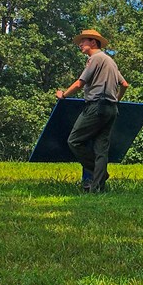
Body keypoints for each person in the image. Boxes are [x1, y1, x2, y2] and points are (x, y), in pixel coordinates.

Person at [56, 29, 129, 194]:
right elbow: (124, 84)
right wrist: (116, 100)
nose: (80, 44)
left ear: (93, 42)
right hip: (111, 109)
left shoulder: (95, 58)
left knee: (74, 141)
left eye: (83, 41)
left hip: (96, 107)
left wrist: (63, 95)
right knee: (101, 150)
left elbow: (80, 84)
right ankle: (97, 189)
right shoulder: (110, 61)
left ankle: (100, 174)